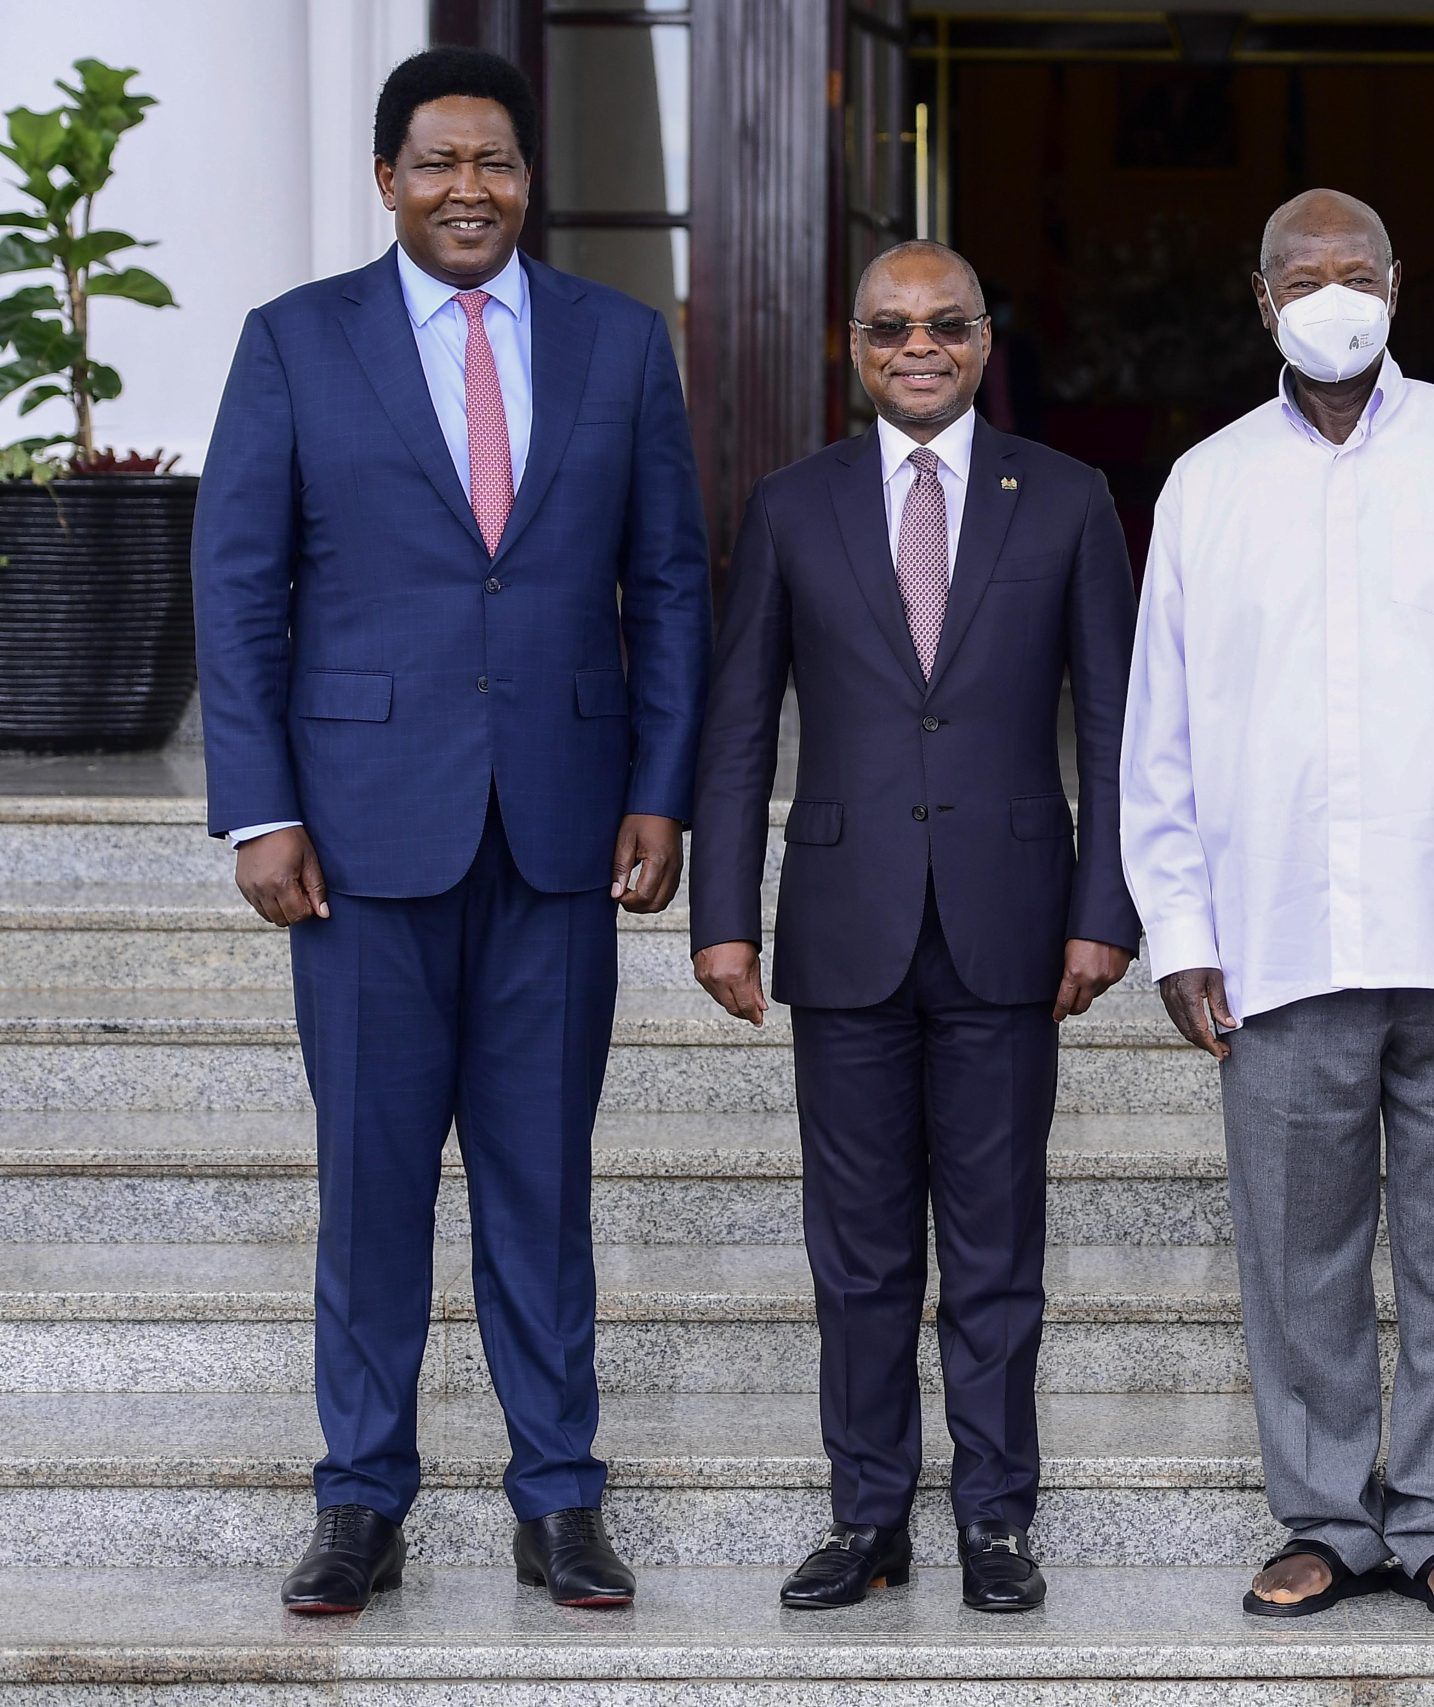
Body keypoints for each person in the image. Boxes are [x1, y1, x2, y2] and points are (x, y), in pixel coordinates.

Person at [192, 48, 709, 1613]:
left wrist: (661, 786)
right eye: (436, 162)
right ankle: (361, 1498)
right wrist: (260, 806)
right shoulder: (294, 343)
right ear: (387, 180)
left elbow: (672, 584)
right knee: (370, 1187)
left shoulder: (621, 346)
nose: (468, 188)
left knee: (543, 1185)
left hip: (559, 832)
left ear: (528, 180)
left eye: (493, 161)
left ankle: (559, 1496)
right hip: (354, 844)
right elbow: (240, 585)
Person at [1120, 188, 1434, 1624]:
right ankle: (1328, 1520)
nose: (1333, 293)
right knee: (1298, 1252)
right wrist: (1181, 929)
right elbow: (1163, 732)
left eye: (1357, 270)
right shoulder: (1209, 483)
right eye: (1302, 273)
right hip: (1277, 938)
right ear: (1261, 299)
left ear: (1400, 283)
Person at [688, 239, 1140, 1615]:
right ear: (854, 346)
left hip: (1012, 923)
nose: (918, 346)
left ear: (987, 340)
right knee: (861, 1251)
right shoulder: (789, 506)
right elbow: (737, 723)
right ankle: (866, 1517)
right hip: (843, 923)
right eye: (890, 327)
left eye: (946, 324)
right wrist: (722, 916)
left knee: (997, 1252)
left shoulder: (1066, 499)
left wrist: (1105, 906)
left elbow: (1118, 725)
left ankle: (996, 1520)